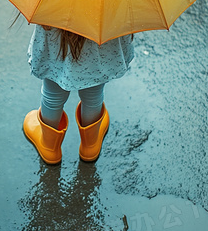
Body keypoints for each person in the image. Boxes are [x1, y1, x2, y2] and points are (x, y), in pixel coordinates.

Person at [21, 20, 135, 165]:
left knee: (52, 95)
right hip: (102, 44)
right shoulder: (113, 3)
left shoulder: (55, 3)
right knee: (93, 96)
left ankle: (49, 147)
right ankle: (90, 146)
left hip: (58, 42)